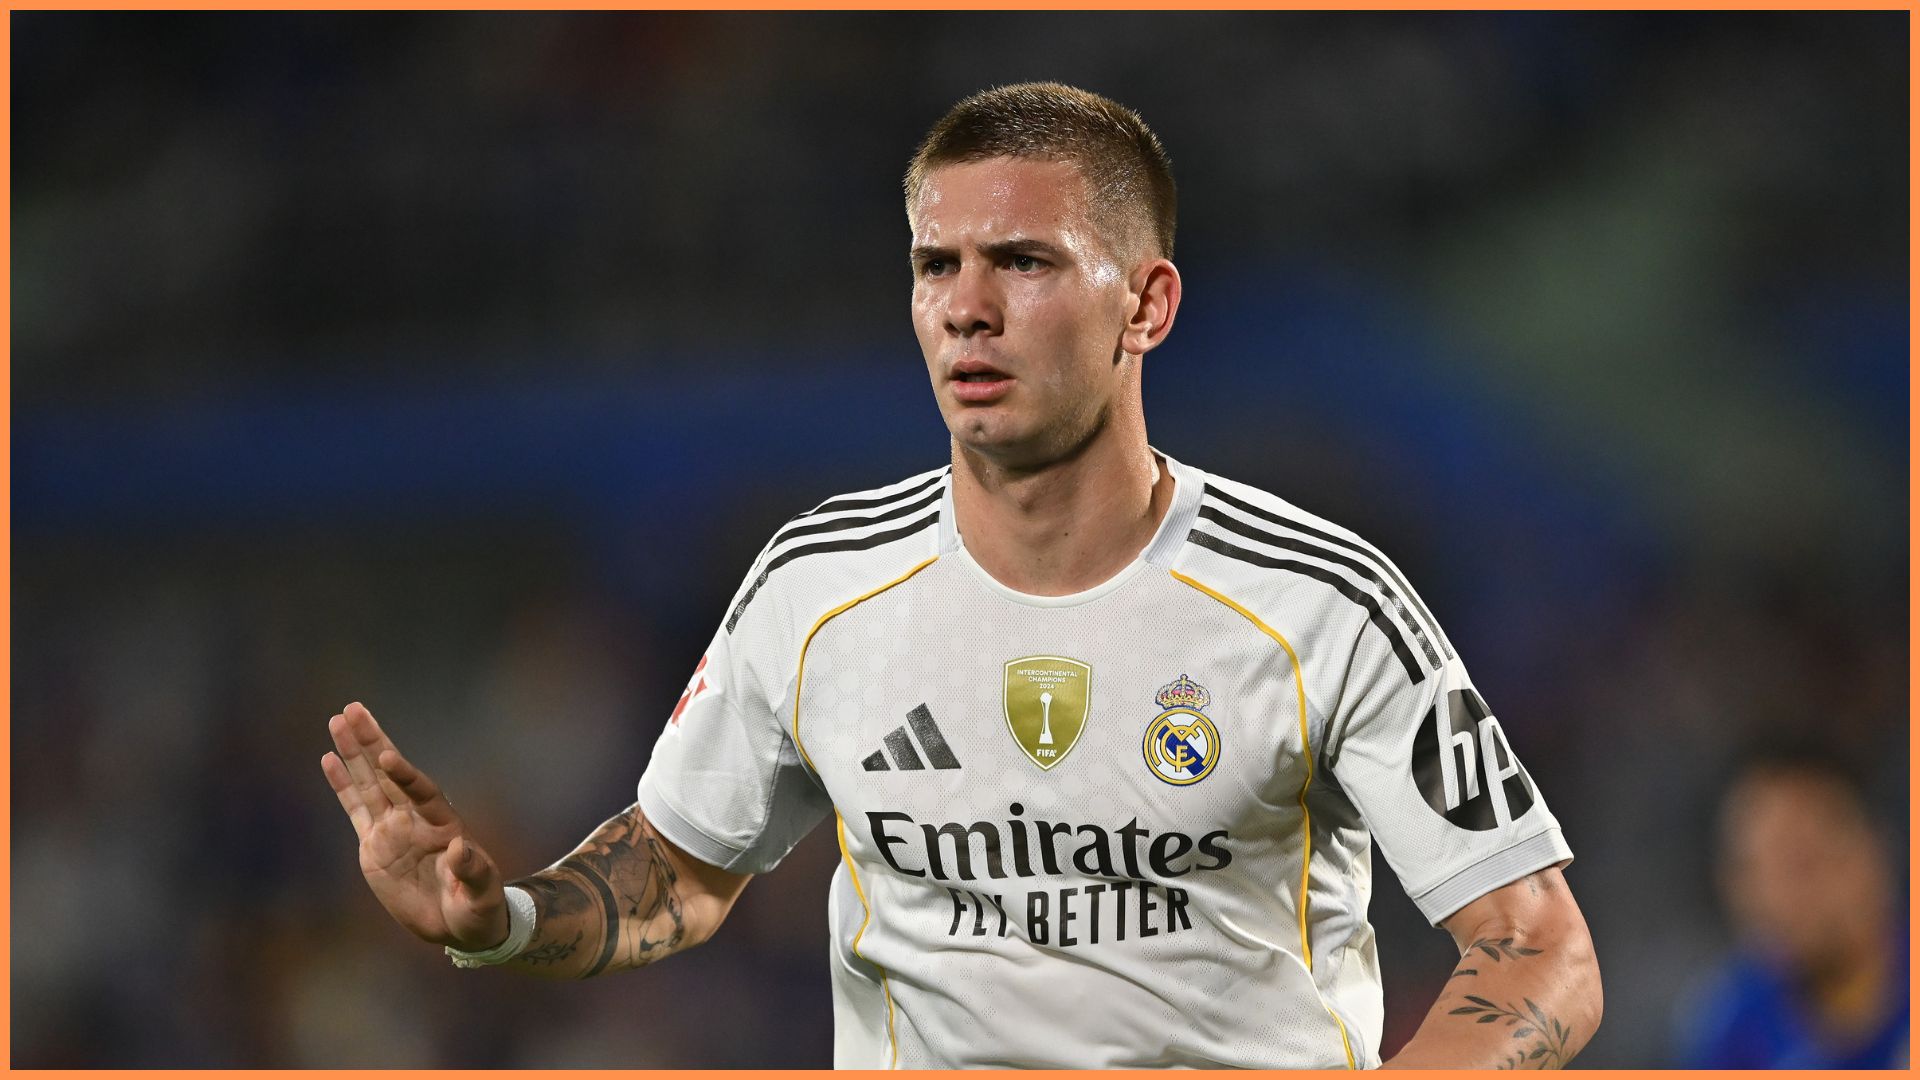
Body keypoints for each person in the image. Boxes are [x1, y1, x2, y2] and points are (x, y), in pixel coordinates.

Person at [322, 82, 1601, 1068]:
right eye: (938, 265)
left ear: (1146, 306)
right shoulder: (816, 587)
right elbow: (680, 870)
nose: (965, 307)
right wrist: (500, 922)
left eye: (1024, 262)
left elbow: (1537, 949)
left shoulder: (1323, 603)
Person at [1674, 751, 1907, 1067]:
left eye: (1800, 862)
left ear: (1873, 854)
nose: (1772, 896)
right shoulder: (1727, 1030)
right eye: (1753, 870)